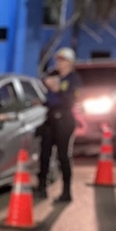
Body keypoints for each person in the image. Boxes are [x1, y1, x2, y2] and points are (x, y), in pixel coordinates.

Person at [35, 47, 81, 202]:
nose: (59, 64)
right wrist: (42, 103)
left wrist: (57, 88)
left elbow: (70, 100)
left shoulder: (74, 79)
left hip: (65, 119)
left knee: (63, 155)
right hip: (51, 119)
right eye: (58, 60)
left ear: (70, 63)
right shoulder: (53, 76)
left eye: (63, 61)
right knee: (45, 153)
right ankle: (42, 186)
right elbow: (50, 99)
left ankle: (66, 191)